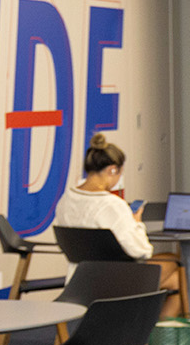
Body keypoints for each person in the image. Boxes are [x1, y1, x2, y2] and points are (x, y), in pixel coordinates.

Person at [52, 134, 183, 318]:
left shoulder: (65, 200)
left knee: (175, 281)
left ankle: (144, 339)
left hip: (78, 282)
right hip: (115, 283)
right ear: (113, 170)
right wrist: (136, 222)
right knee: (176, 263)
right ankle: (151, 340)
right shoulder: (112, 205)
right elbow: (142, 251)